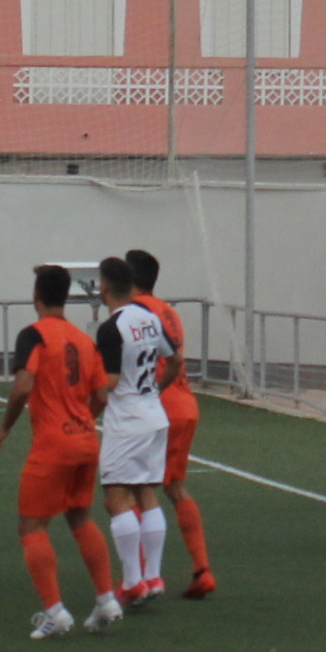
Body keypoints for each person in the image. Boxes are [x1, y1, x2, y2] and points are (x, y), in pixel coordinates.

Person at [0, 262, 124, 638]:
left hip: (53, 445)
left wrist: (5, 427)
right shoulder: (84, 340)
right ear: (66, 297)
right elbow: (102, 395)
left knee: (31, 526)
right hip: (86, 441)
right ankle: (106, 599)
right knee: (80, 518)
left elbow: (22, 386)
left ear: (36, 296)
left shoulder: (33, 335)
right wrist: (80, 420)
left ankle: (54, 611)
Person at [126, 248, 215, 597]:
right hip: (186, 403)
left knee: (134, 490)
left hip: (160, 405)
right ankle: (202, 569)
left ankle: (140, 578)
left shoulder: (136, 312)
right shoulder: (169, 310)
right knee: (175, 487)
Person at [92, 256, 176, 610]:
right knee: (146, 493)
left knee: (115, 497)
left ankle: (131, 583)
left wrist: (86, 407)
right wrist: (154, 391)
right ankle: (153, 577)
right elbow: (175, 360)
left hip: (126, 421)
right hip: (154, 414)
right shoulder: (149, 318)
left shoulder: (111, 328)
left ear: (105, 286)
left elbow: (110, 382)